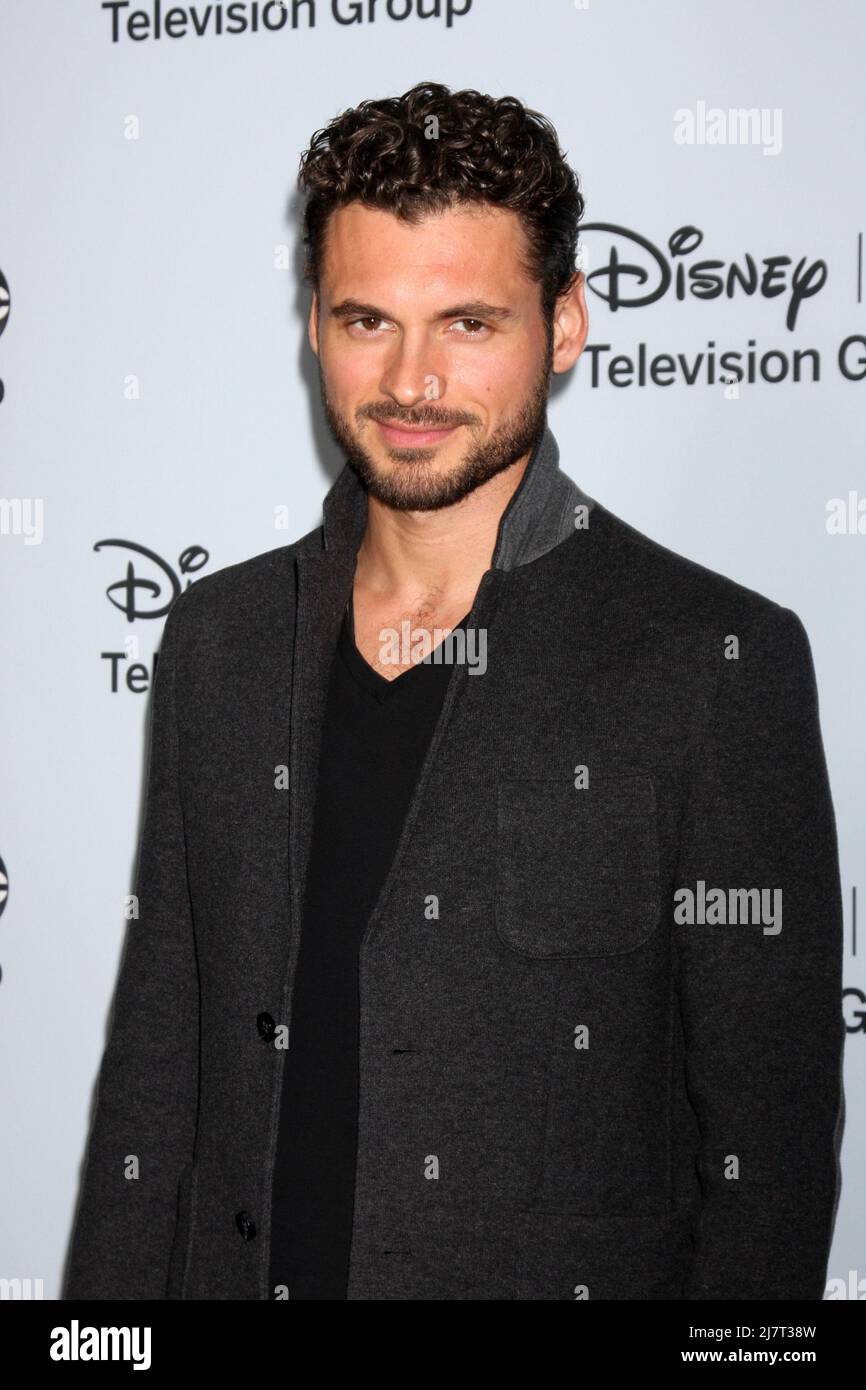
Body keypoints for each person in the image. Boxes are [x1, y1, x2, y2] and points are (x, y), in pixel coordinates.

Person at [64, 81, 844, 1301]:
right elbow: (158, 1073)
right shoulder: (220, 644)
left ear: (565, 323)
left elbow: (770, 1163)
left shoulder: (710, 661)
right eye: (368, 320)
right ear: (313, 325)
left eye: (467, 323)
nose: (411, 381)